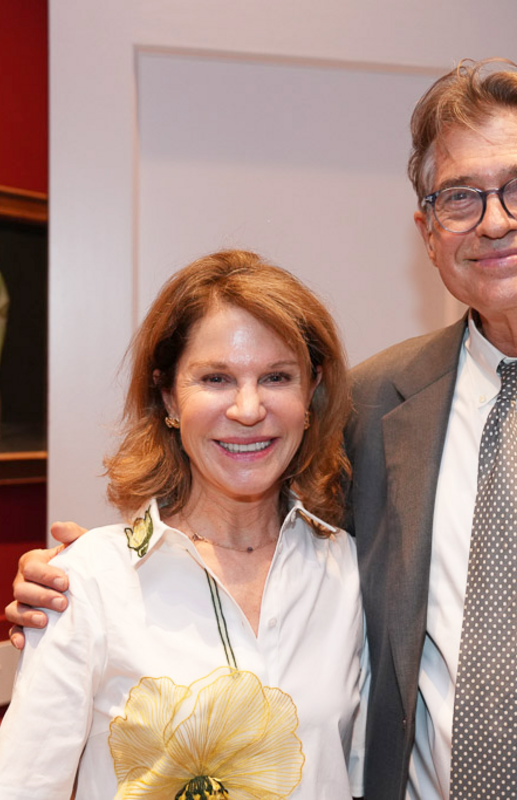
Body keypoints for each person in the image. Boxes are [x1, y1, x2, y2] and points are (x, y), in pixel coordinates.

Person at [8, 59, 517, 799]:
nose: (495, 221)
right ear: (427, 232)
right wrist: (91, 580)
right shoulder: (376, 405)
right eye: (460, 198)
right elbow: (260, 530)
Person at [0, 249, 368, 799]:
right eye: (216, 378)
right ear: (169, 395)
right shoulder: (89, 580)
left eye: (276, 377)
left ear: (311, 392)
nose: (248, 409)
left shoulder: (348, 571)